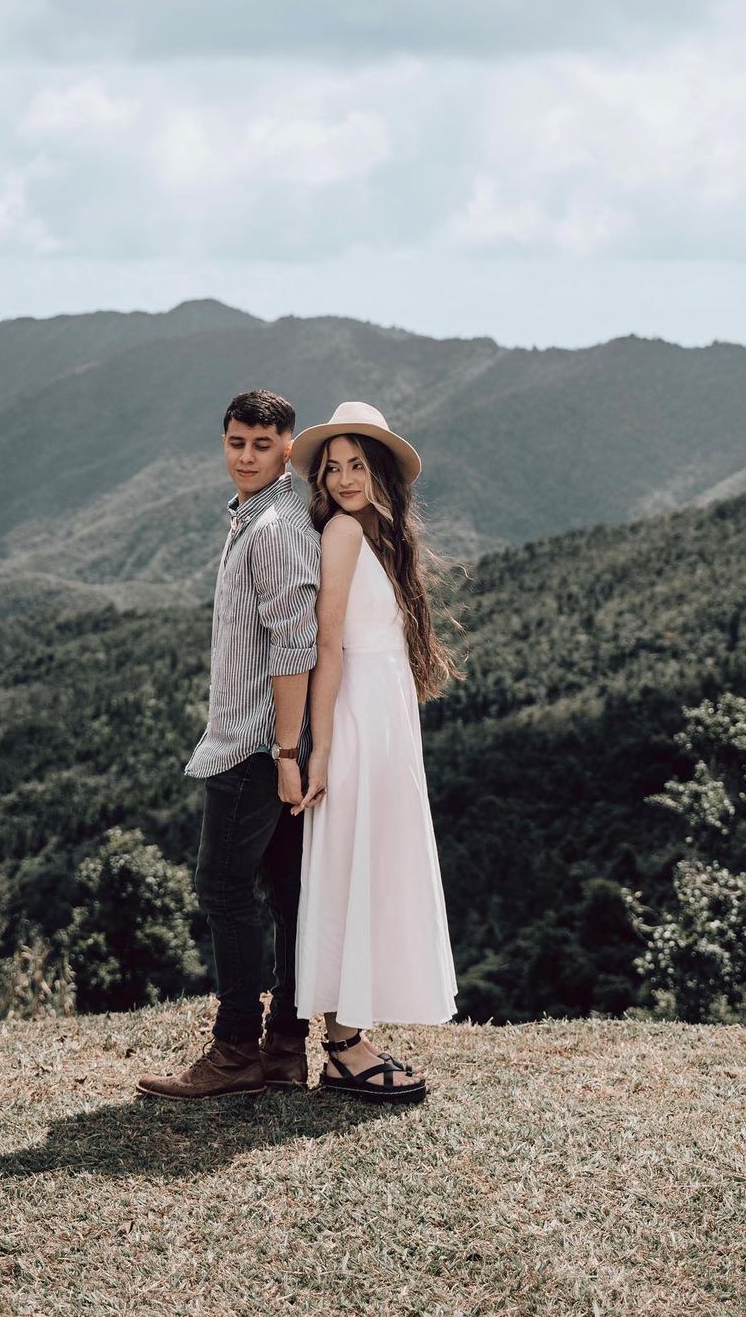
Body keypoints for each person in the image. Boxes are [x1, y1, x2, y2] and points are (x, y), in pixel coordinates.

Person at [137, 390, 320, 1100]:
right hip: (263, 742)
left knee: (223, 889)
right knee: (284, 895)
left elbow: (293, 648)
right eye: (237, 443)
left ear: (288, 448)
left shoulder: (275, 528)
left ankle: (239, 1046)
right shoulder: (256, 517)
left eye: (262, 446)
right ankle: (284, 1050)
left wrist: (281, 755)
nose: (247, 457)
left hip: (255, 747)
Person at [289, 401, 459, 1103]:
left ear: (381, 470)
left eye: (358, 464)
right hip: (354, 716)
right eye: (334, 468)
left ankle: (352, 1031)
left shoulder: (377, 534)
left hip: (385, 720)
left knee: (374, 864)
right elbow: (328, 645)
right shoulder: (341, 535)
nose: (345, 477)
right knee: (348, 864)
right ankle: (340, 1044)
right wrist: (320, 748)